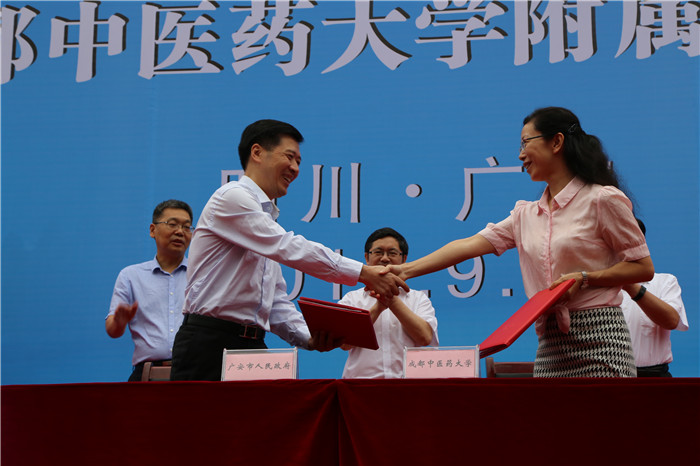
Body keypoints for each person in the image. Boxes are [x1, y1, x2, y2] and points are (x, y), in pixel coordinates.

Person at [385, 107, 654, 377]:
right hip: (550, 344)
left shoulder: (602, 199)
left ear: (557, 142)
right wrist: (404, 271)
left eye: (526, 143)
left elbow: (642, 267)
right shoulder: (525, 214)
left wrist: (584, 278)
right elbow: (467, 246)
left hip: (602, 339)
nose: (520, 155)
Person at [170, 119, 408, 381]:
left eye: (299, 162)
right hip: (208, 343)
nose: (295, 168)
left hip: (251, 347)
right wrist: (363, 273)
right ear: (257, 152)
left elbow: (275, 303)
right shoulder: (231, 197)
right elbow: (289, 246)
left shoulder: (265, 222)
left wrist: (309, 338)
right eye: (289, 157)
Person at [106, 199, 194, 381]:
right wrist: (120, 321)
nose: (180, 232)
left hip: (192, 373)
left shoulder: (201, 275)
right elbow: (113, 330)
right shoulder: (131, 276)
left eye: (186, 227)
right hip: (147, 376)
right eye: (172, 224)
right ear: (153, 230)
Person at [340, 228, 438, 378]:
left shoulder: (418, 299)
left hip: (408, 386)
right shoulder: (351, 299)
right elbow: (344, 343)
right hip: (360, 386)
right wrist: (378, 308)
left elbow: (425, 338)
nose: (385, 259)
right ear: (367, 257)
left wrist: (392, 301)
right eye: (378, 252)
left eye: (392, 253)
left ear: (404, 259)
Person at [620, 219, 689, 377]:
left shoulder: (665, 282)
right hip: (610, 378)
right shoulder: (595, 284)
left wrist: (632, 287)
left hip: (653, 378)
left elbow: (671, 320)